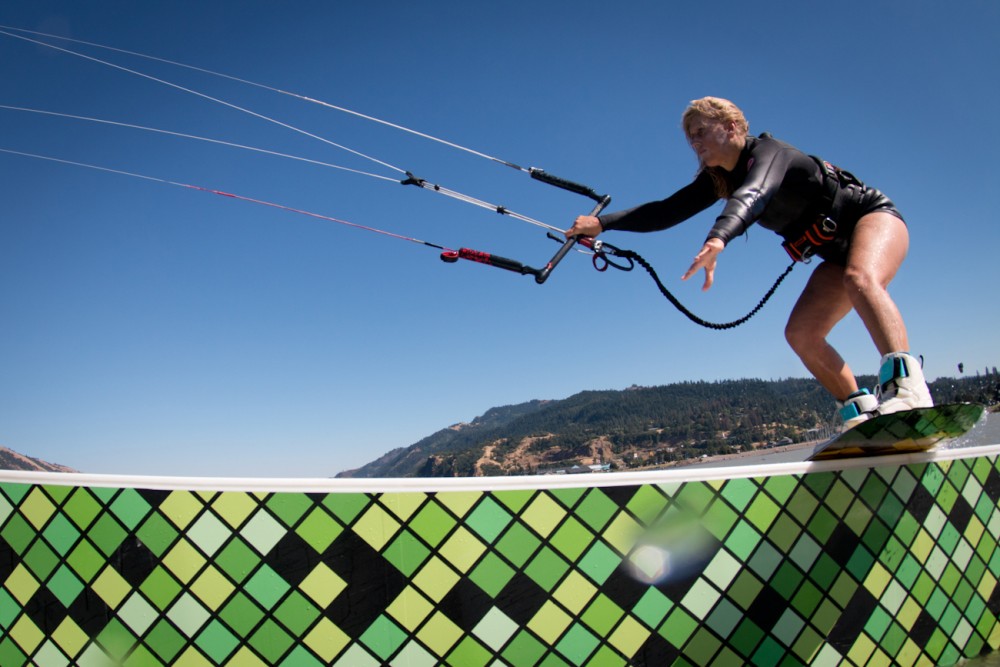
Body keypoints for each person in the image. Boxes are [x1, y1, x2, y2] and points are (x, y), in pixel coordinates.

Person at [565, 96, 932, 429]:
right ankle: (860, 413)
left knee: (861, 278)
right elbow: (667, 211)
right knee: (801, 333)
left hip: (872, 218)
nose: (695, 142)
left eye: (701, 132)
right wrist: (603, 223)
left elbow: (754, 193)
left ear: (732, 127)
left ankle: (908, 389)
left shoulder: (772, 153)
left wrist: (718, 237)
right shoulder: (717, 180)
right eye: (690, 137)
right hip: (834, 255)